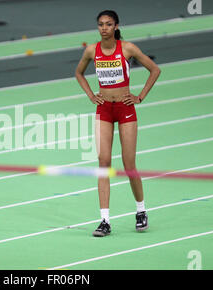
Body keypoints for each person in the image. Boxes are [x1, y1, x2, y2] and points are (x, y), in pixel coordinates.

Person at [75, 10, 161, 237]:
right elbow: (79, 73)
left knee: (128, 164)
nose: (104, 28)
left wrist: (140, 96)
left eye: (108, 24)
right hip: (104, 108)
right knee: (103, 162)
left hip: (125, 108)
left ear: (116, 26)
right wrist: (91, 96)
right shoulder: (91, 50)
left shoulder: (128, 48)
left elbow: (155, 69)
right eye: (101, 25)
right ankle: (104, 220)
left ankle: (141, 211)